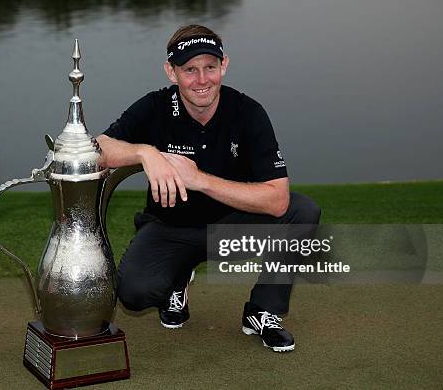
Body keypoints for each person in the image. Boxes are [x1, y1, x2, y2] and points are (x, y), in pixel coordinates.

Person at [97, 24, 320, 352]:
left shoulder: (248, 112)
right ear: (171, 72)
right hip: (169, 227)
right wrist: (146, 153)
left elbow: (277, 200)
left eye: (210, 68)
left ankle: (262, 312)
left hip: (231, 226)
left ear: (224, 66)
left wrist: (198, 178)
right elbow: (99, 148)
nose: (202, 80)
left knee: (302, 211)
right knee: (134, 293)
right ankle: (177, 279)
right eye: (189, 69)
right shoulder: (155, 107)